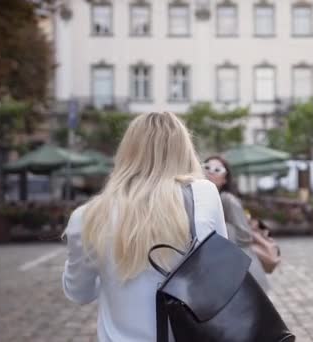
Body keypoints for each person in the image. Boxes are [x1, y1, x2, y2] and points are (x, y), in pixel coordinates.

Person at [62, 112, 227, 341]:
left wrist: (108, 262)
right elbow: (221, 275)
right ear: (183, 150)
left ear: (127, 153)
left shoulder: (86, 217)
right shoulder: (203, 195)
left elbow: (79, 293)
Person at [203, 156, 270, 292]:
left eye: (217, 169)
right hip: (230, 272)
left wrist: (216, 231)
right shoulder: (204, 198)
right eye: (207, 167)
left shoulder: (226, 199)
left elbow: (244, 235)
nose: (211, 172)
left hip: (243, 274)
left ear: (225, 179)